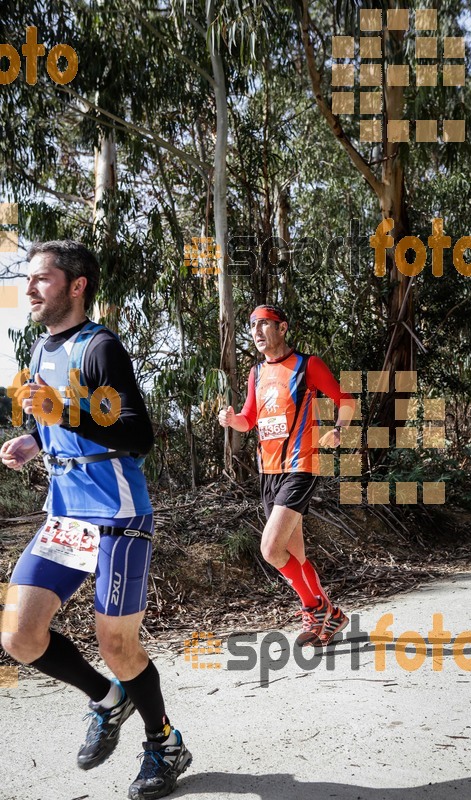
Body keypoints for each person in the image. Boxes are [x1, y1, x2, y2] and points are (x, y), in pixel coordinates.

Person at [0, 240, 191, 800]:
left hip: (117, 514)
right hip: (65, 515)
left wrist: (61, 414)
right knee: (20, 634)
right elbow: (59, 420)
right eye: (27, 279)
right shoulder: (39, 350)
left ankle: (164, 743)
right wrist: (36, 440)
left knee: (117, 644)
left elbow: (137, 434)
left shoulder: (101, 346)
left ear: (76, 285)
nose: (29, 288)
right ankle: (110, 699)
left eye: (42, 279)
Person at [218, 304, 355, 646]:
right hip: (269, 472)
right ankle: (331, 619)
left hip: (301, 466)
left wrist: (338, 430)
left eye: (265, 325)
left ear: (283, 328)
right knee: (295, 555)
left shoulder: (308, 365)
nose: (258, 332)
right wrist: (233, 420)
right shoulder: (256, 373)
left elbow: (346, 400)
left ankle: (315, 607)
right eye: (253, 327)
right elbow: (249, 419)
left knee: (269, 548)